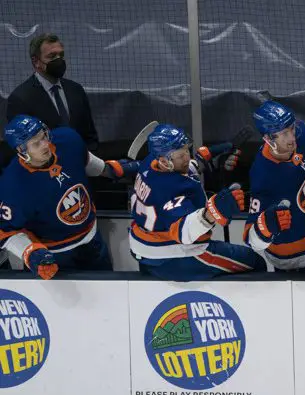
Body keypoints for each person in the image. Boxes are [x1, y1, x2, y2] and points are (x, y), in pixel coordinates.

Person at [0, 115, 139, 278]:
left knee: (105, 295)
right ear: (21, 150)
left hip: (92, 239)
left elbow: (85, 161)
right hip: (55, 256)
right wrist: (31, 253)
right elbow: (6, 232)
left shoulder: (67, 139)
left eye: (43, 136)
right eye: (36, 144)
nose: (45, 144)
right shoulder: (12, 186)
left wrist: (109, 169)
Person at [128, 123, 265, 280]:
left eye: (186, 150)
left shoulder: (151, 163)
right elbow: (184, 233)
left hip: (145, 246)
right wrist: (211, 213)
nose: (187, 157)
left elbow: (182, 171)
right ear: (164, 161)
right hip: (172, 255)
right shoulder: (168, 191)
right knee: (255, 261)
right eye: (181, 156)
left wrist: (210, 155)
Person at [246, 100, 305, 272]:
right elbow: (251, 239)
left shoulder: (303, 138)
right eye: (284, 133)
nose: (292, 138)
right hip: (288, 262)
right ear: (268, 138)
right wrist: (264, 227)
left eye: (292, 129)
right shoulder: (262, 175)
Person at [5, 34, 99, 153]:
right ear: (36, 61)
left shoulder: (76, 90)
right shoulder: (20, 98)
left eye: (61, 55)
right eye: (52, 56)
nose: (59, 60)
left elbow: (90, 135)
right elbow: (21, 146)